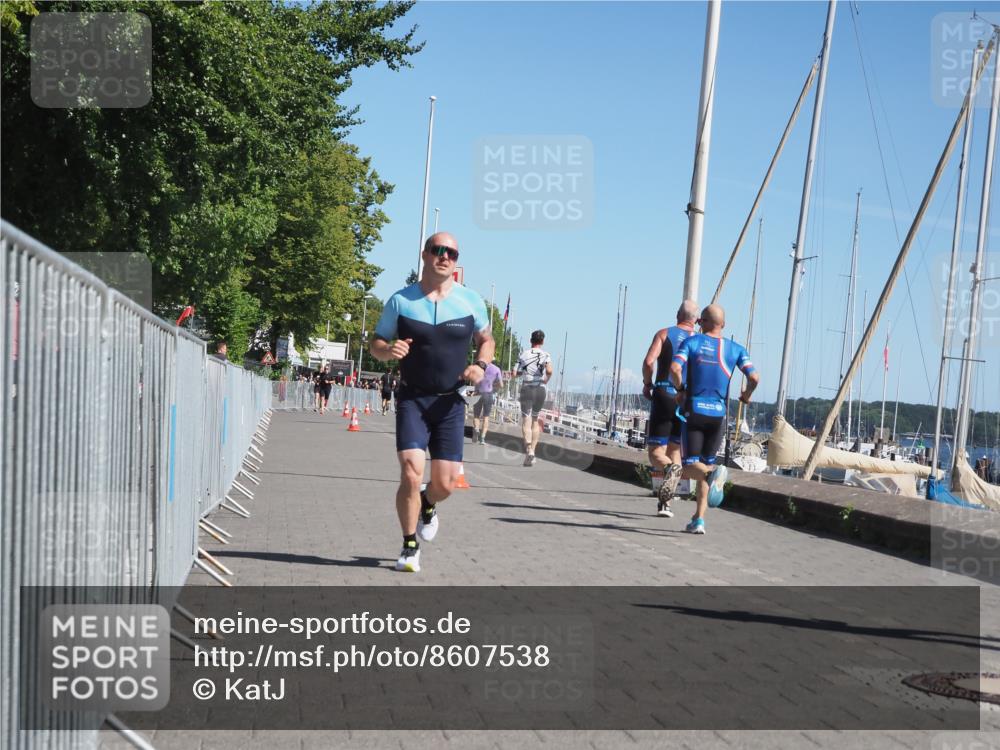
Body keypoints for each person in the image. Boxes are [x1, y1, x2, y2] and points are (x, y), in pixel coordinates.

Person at [370, 232, 494, 573]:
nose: (444, 256)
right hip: (413, 398)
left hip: (450, 403)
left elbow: (487, 340)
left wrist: (480, 366)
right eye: (438, 250)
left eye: (451, 253)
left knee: (446, 484)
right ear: (424, 254)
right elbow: (376, 342)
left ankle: (428, 503)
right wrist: (387, 350)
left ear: (456, 261)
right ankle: (409, 546)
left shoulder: (471, 301)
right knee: (411, 472)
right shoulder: (401, 301)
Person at [669, 304, 759, 535]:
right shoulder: (736, 349)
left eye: (700, 321)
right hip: (718, 416)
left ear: (703, 322)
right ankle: (698, 520)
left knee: (691, 466)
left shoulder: (692, 342)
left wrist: (681, 390)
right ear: (723, 325)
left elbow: (674, 368)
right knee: (705, 464)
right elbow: (754, 377)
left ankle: (711, 475)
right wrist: (746, 395)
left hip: (695, 411)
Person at [642, 300, 698, 517]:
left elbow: (649, 362)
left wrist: (648, 384)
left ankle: (670, 470)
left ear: (677, 315)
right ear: (695, 320)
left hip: (665, 393)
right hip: (686, 399)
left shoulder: (664, 333)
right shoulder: (699, 341)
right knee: (675, 450)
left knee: (657, 453)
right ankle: (666, 504)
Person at [516, 330, 553, 467]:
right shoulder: (546, 355)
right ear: (542, 341)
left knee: (526, 420)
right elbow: (549, 371)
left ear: (530, 340)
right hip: (540, 389)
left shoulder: (523, 354)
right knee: (535, 420)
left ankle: (529, 450)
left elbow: (516, 372)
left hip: (527, 388)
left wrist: (522, 373)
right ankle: (532, 452)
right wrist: (545, 380)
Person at [472, 359, 503, 445]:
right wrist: (493, 384)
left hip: (477, 393)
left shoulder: (478, 366)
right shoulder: (496, 369)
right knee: (486, 417)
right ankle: (482, 439)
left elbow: (473, 379)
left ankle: (476, 429)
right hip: (488, 394)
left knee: (476, 415)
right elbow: (501, 385)